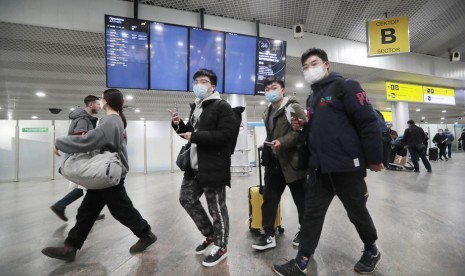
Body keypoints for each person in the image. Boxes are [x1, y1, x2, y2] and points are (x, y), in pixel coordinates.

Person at [273, 48, 384, 276]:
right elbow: (319, 131)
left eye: (313, 64)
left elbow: (367, 123)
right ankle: (301, 260)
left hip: (347, 167)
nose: (309, 69)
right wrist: (304, 128)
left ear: (326, 64)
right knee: (312, 214)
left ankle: (371, 249)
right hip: (320, 169)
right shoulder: (312, 97)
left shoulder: (346, 86)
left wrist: (374, 158)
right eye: (305, 67)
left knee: (356, 212)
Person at [42, 89, 156, 262]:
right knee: (87, 211)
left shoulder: (110, 120)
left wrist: (60, 142)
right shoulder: (115, 120)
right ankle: (70, 247)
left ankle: (145, 234)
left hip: (108, 172)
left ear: (108, 101)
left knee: (121, 209)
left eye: (102, 98)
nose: (100, 101)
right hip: (106, 171)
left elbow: (90, 140)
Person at [169, 69, 237, 267]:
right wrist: (178, 125)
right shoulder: (198, 107)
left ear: (212, 86)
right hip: (194, 166)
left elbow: (226, 135)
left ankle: (221, 245)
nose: (199, 84)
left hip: (213, 166)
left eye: (204, 81)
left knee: (216, 207)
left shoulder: (222, 106)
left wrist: (195, 136)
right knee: (186, 198)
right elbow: (191, 133)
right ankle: (209, 235)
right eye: (196, 81)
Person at [251, 77, 307, 251]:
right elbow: (272, 134)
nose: (270, 91)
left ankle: (305, 232)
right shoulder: (267, 112)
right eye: (267, 89)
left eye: (274, 87)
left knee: (302, 201)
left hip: (294, 164)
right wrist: (267, 143)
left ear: (282, 90)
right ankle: (268, 235)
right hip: (274, 164)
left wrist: (282, 142)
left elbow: (301, 132)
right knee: (269, 200)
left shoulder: (293, 107)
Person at [50, 95, 105, 222]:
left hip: (81, 157)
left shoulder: (87, 119)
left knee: (86, 187)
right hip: (80, 158)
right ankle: (83, 213)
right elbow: (79, 140)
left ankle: (61, 206)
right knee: (90, 186)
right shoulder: (83, 120)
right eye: (98, 104)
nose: (100, 107)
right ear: (90, 105)